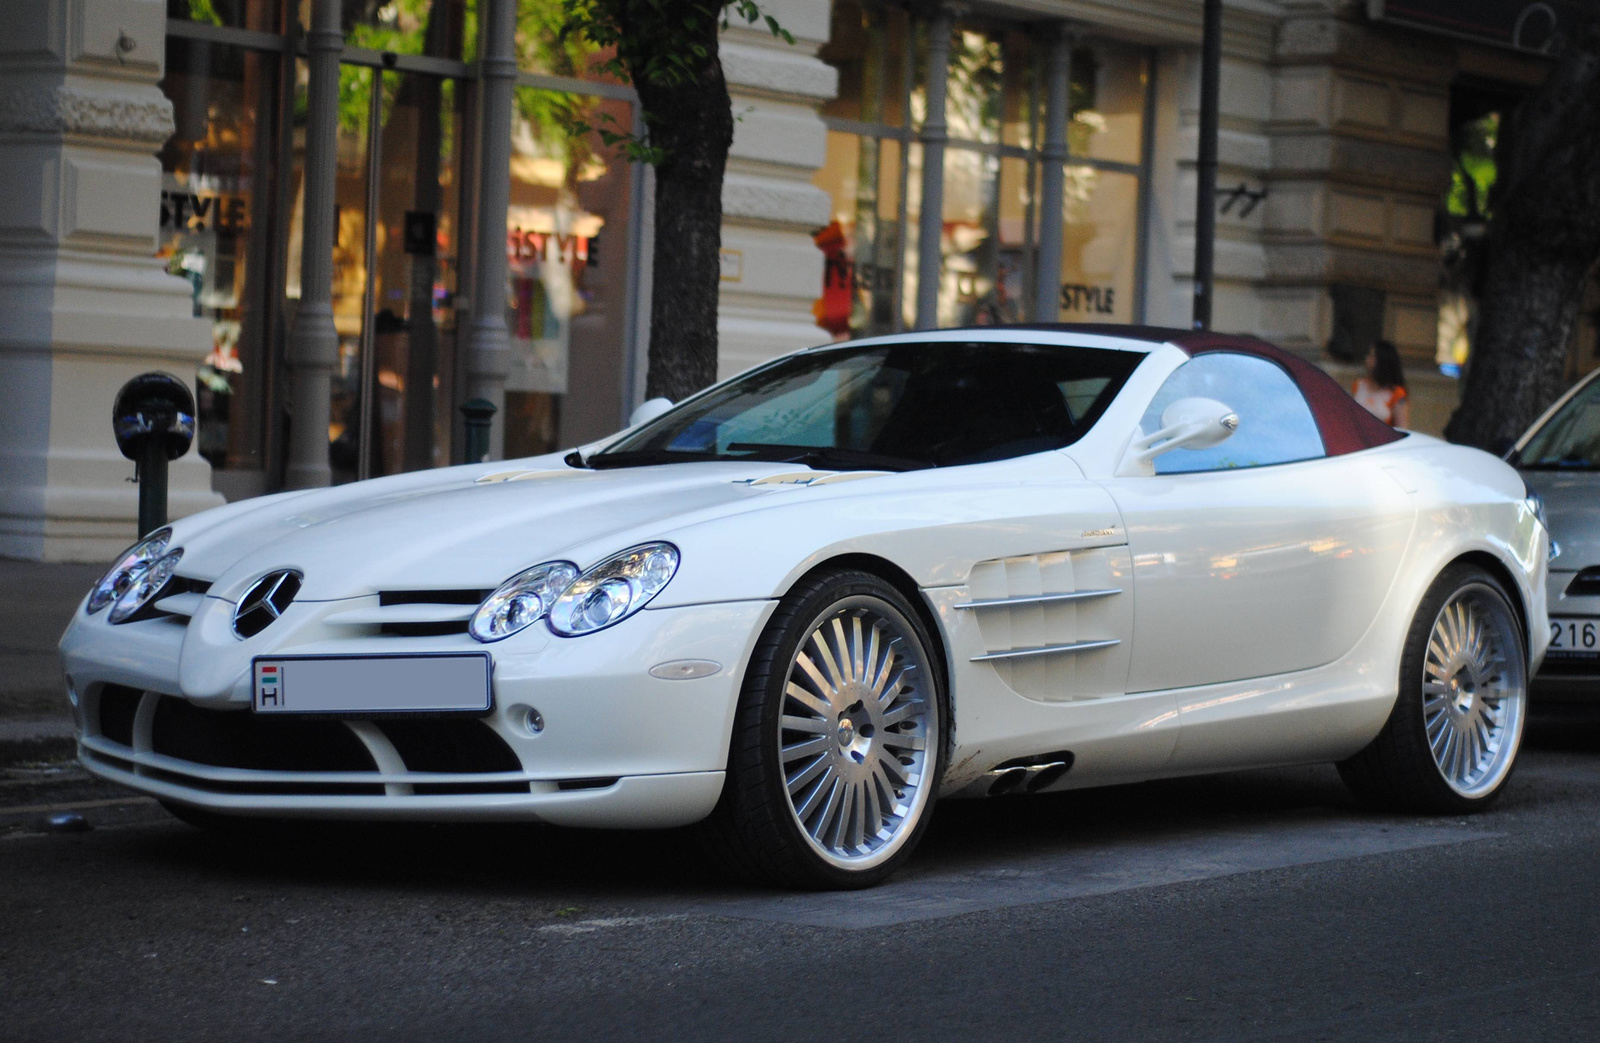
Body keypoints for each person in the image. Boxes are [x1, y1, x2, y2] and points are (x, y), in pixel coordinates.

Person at [1352, 339, 1409, 428]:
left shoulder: (1397, 393)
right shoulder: (1359, 385)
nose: (1367, 359)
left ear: (1382, 361)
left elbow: (1402, 427)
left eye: (1372, 356)